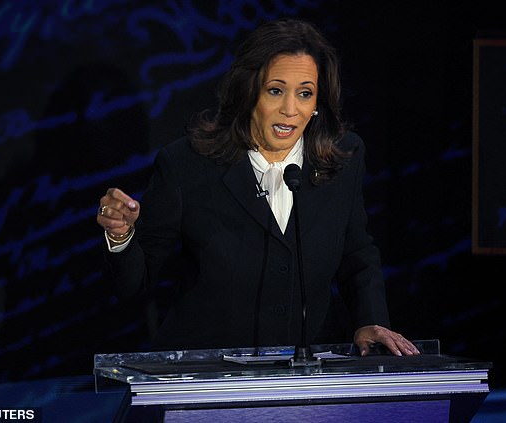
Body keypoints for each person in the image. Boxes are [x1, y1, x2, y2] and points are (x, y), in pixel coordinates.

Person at [96, 18, 420, 357]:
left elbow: (357, 253)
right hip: (207, 375)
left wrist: (369, 320)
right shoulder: (186, 165)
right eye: (275, 91)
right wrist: (121, 236)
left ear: (317, 103)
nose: (290, 110)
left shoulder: (344, 156)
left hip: (308, 374)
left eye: (305, 93)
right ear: (249, 91)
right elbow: (134, 283)